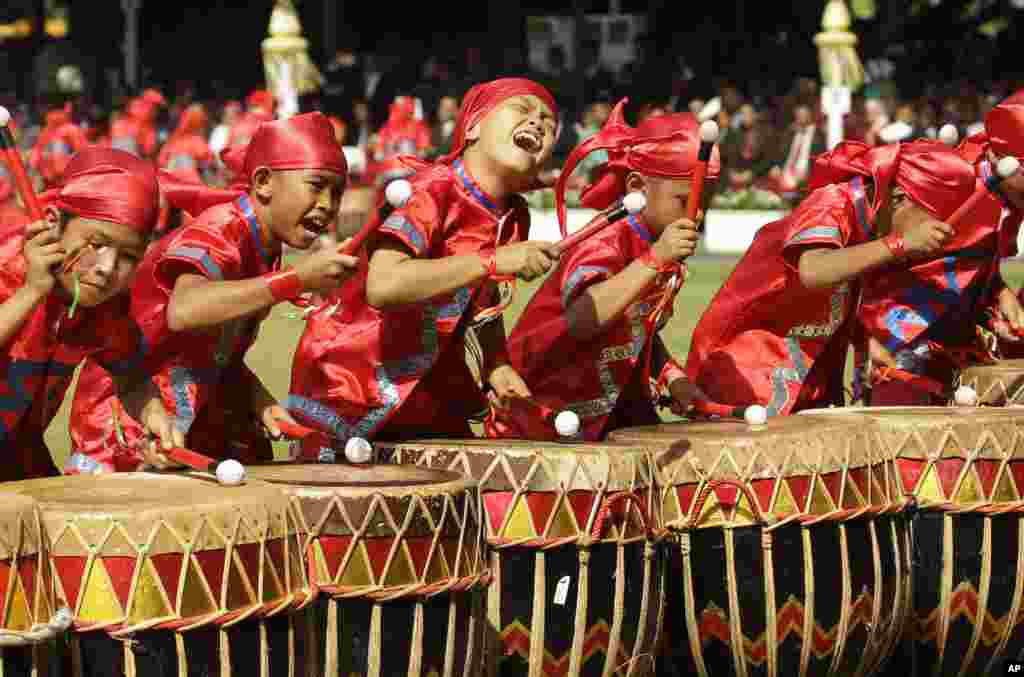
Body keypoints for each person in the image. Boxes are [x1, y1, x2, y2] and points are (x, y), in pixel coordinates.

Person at [287, 78, 562, 458]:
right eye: (522, 110)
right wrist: (492, 260)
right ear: (473, 126)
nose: (537, 123)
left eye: (548, 121)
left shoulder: (512, 216)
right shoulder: (431, 190)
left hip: (429, 378)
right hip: (352, 378)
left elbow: (483, 294)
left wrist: (496, 364)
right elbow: (384, 285)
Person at [122, 112, 359, 468]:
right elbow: (184, 310)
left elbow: (215, 352)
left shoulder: (264, 244)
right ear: (263, 182)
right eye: (316, 185)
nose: (328, 204)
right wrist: (296, 279)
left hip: (193, 404)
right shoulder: (221, 228)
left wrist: (259, 399)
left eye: (337, 192)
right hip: (137, 408)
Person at [685, 140, 977, 416]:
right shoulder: (833, 201)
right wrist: (900, 244)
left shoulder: (872, 221)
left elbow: (838, 294)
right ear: (900, 199)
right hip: (743, 369)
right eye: (932, 225)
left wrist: (863, 341)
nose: (932, 242)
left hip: (800, 372)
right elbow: (813, 271)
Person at [485, 100, 716, 441]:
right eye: (685, 201)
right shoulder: (607, 239)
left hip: (614, 404)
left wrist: (671, 376)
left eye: (705, 205)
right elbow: (582, 320)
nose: (695, 216)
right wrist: (655, 259)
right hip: (545, 406)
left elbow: (636, 330)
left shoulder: (661, 247)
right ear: (637, 186)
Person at [0, 147, 159, 480]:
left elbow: (130, 375)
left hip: (18, 456)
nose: (106, 269)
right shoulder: (5, 264)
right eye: (96, 245)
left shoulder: (104, 304)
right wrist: (31, 292)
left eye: (128, 255)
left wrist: (154, 415)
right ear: (54, 224)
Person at [859, 90, 1024, 401]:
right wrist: (863, 338)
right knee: (899, 429)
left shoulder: (1005, 188)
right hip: (899, 332)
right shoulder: (946, 182)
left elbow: (969, 261)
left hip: (953, 331)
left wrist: (998, 293)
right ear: (994, 157)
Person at [29, 100, 89, 189]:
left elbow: (83, 154)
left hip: (61, 181)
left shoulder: (48, 131)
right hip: (55, 181)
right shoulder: (67, 130)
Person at [158, 103, 214, 184]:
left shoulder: (173, 140)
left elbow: (161, 161)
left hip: (168, 184)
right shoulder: (197, 141)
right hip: (191, 185)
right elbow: (207, 161)